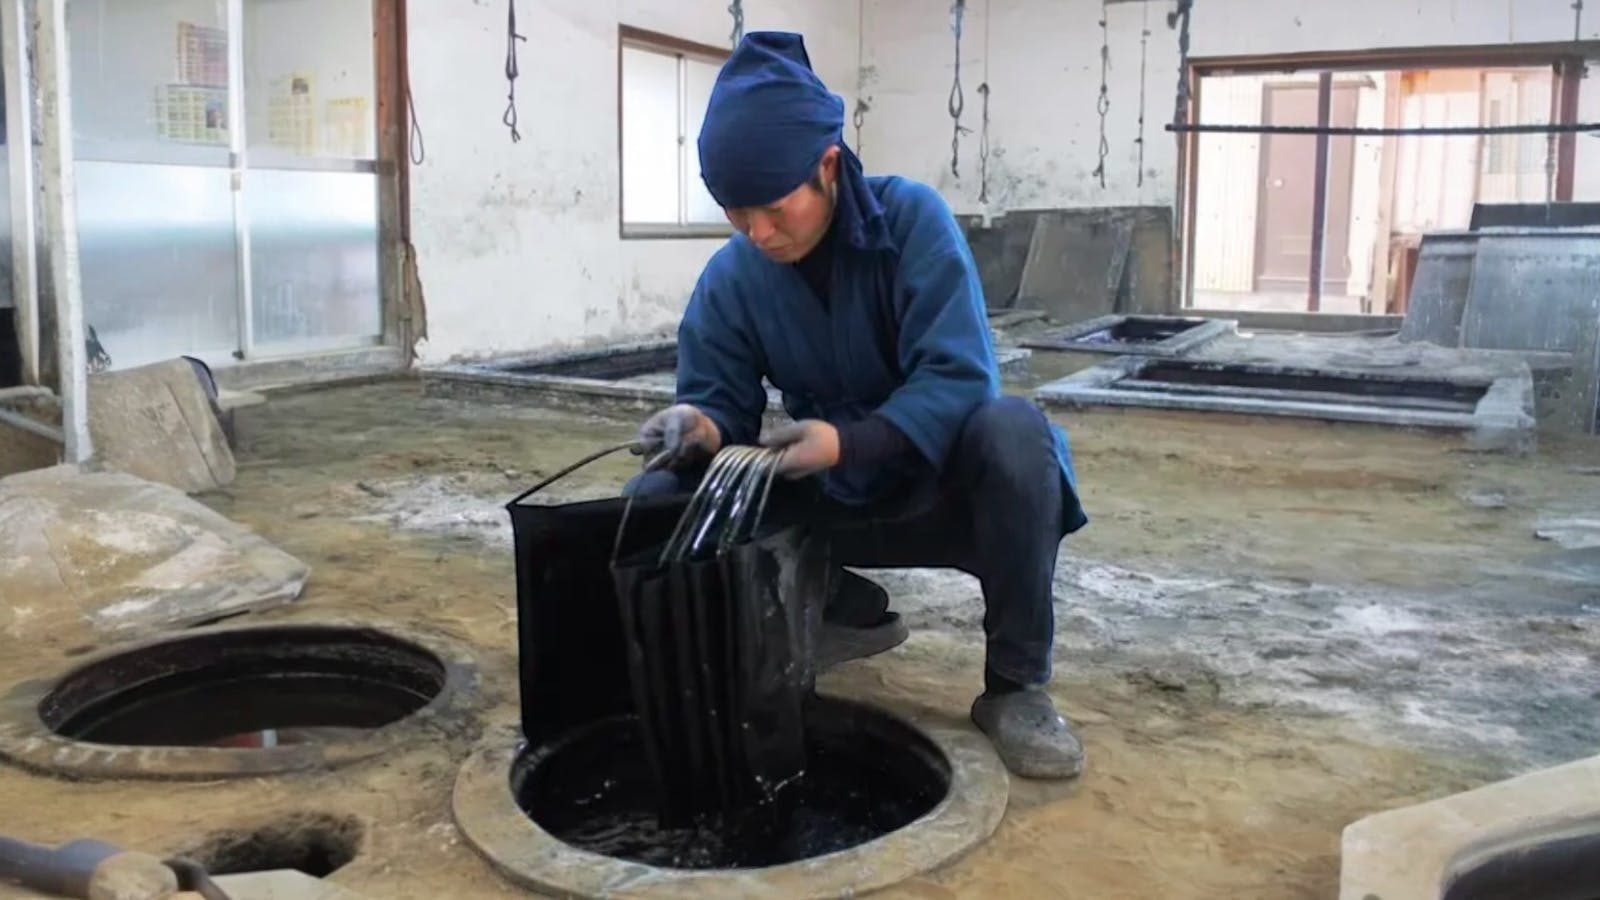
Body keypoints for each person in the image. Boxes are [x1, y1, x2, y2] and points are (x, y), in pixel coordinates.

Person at [627, 31, 1089, 780]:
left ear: (828, 166)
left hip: (935, 491)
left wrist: (847, 444)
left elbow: (960, 379)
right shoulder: (735, 276)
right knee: (659, 491)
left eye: (773, 207)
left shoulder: (912, 224)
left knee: (1015, 433)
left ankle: (1015, 688)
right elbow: (722, 404)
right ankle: (838, 604)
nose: (758, 232)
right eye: (736, 212)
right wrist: (696, 426)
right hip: (824, 503)